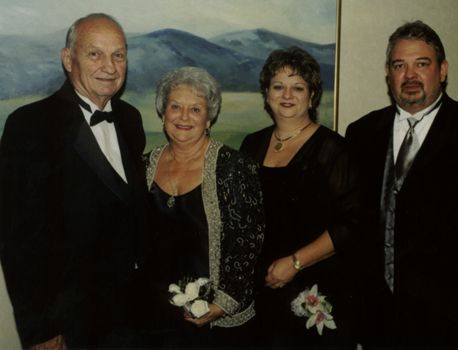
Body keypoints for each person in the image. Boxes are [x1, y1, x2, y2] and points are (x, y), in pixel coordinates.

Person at [345, 20, 458, 349]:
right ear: (389, 74)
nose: (410, 76)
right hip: (378, 314)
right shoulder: (361, 133)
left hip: (453, 316)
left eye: (422, 64)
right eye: (400, 65)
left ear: (442, 70)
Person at [0, 13, 148, 349]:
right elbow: (17, 240)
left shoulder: (130, 119)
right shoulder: (30, 126)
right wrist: (40, 330)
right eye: (94, 53)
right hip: (71, 323)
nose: (109, 67)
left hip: (134, 316)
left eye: (118, 55)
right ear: (68, 59)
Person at [240, 47, 361, 349]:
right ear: (266, 93)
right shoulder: (252, 143)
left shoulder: (333, 149)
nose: (287, 96)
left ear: (313, 95)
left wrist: (294, 264)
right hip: (259, 288)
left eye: (298, 87)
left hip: (312, 286)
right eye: (278, 86)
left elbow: (352, 224)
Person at [140, 66, 264, 349]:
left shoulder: (234, 167)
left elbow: (248, 242)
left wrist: (222, 304)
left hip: (217, 321)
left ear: (209, 118)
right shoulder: (144, 164)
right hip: (156, 318)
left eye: (195, 109)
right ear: (163, 113)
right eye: (175, 107)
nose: (184, 117)